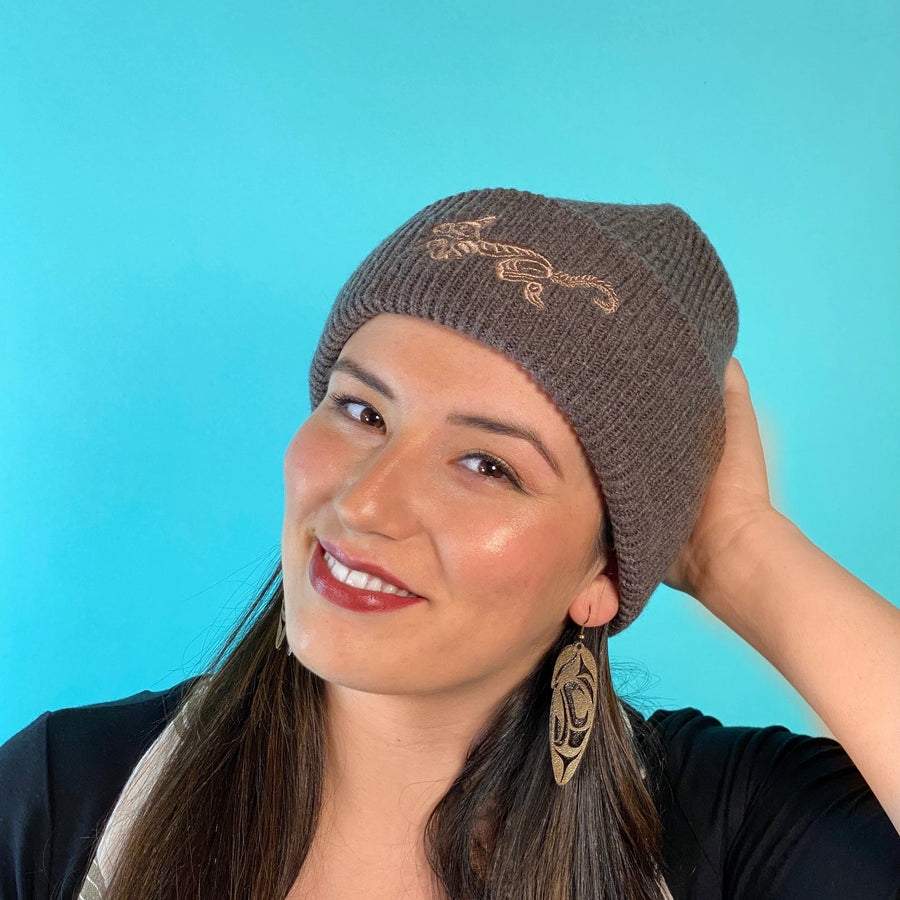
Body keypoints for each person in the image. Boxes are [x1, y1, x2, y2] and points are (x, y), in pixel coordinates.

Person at [1, 188, 898, 900]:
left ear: (604, 573)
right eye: (362, 411)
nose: (366, 501)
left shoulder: (719, 834)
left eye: (487, 465)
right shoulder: (66, 797)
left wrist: (743, 548)